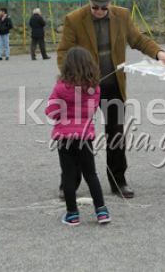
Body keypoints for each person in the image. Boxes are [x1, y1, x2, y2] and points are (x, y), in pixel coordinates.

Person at [56, 0, 165, 199]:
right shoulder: (74, 20)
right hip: (84, 90)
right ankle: (69, 182)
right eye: (95, 7)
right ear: (89, 2)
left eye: (104, 7)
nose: (100, 11)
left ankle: (118, 180)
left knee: (116, 135)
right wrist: (73, 80)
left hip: (113, 87)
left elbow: (138, 40)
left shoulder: (122, 16)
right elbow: (64, 53)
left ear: (111, 3)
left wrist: (159, 54)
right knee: (76, 135)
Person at [45, 46, 111, 226]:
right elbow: (92, 110)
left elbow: (51, 112)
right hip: (84, 136)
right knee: (91, 174)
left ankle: (72, 214)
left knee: (68, 175)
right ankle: (102, 211)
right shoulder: (95, 88)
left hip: (64, 137)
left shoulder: (60, 88)